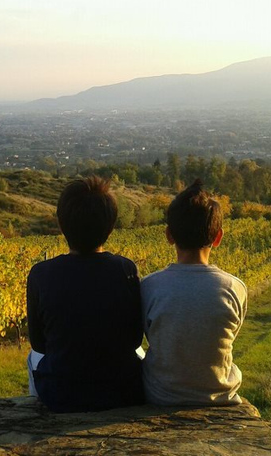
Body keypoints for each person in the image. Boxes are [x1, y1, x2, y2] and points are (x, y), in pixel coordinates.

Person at [26, 176, 144, 412]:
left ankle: (37, 409)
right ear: (111, 227)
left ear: (61, 225)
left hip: (60, 396)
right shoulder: (125, 269)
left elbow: (39, 344)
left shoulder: (41, 274)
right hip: (122, 393)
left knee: (32, 358)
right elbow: (134, 339)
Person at [141, 179, 247, 405]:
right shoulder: (235, 288)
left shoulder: (149, 286)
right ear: (218, 237)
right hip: (220, 395)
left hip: (160, 396)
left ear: (169, 235)